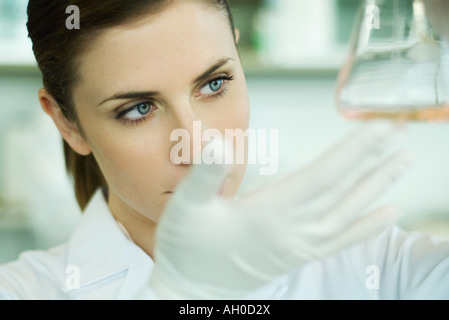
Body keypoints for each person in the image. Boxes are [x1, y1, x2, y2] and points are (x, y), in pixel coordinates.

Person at [0, 0, 448, 300]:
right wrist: (180, 292)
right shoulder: (23, 290)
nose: (197, 147)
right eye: (138, 109)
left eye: (215, 84)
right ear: (66, 122)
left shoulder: (374, 265)